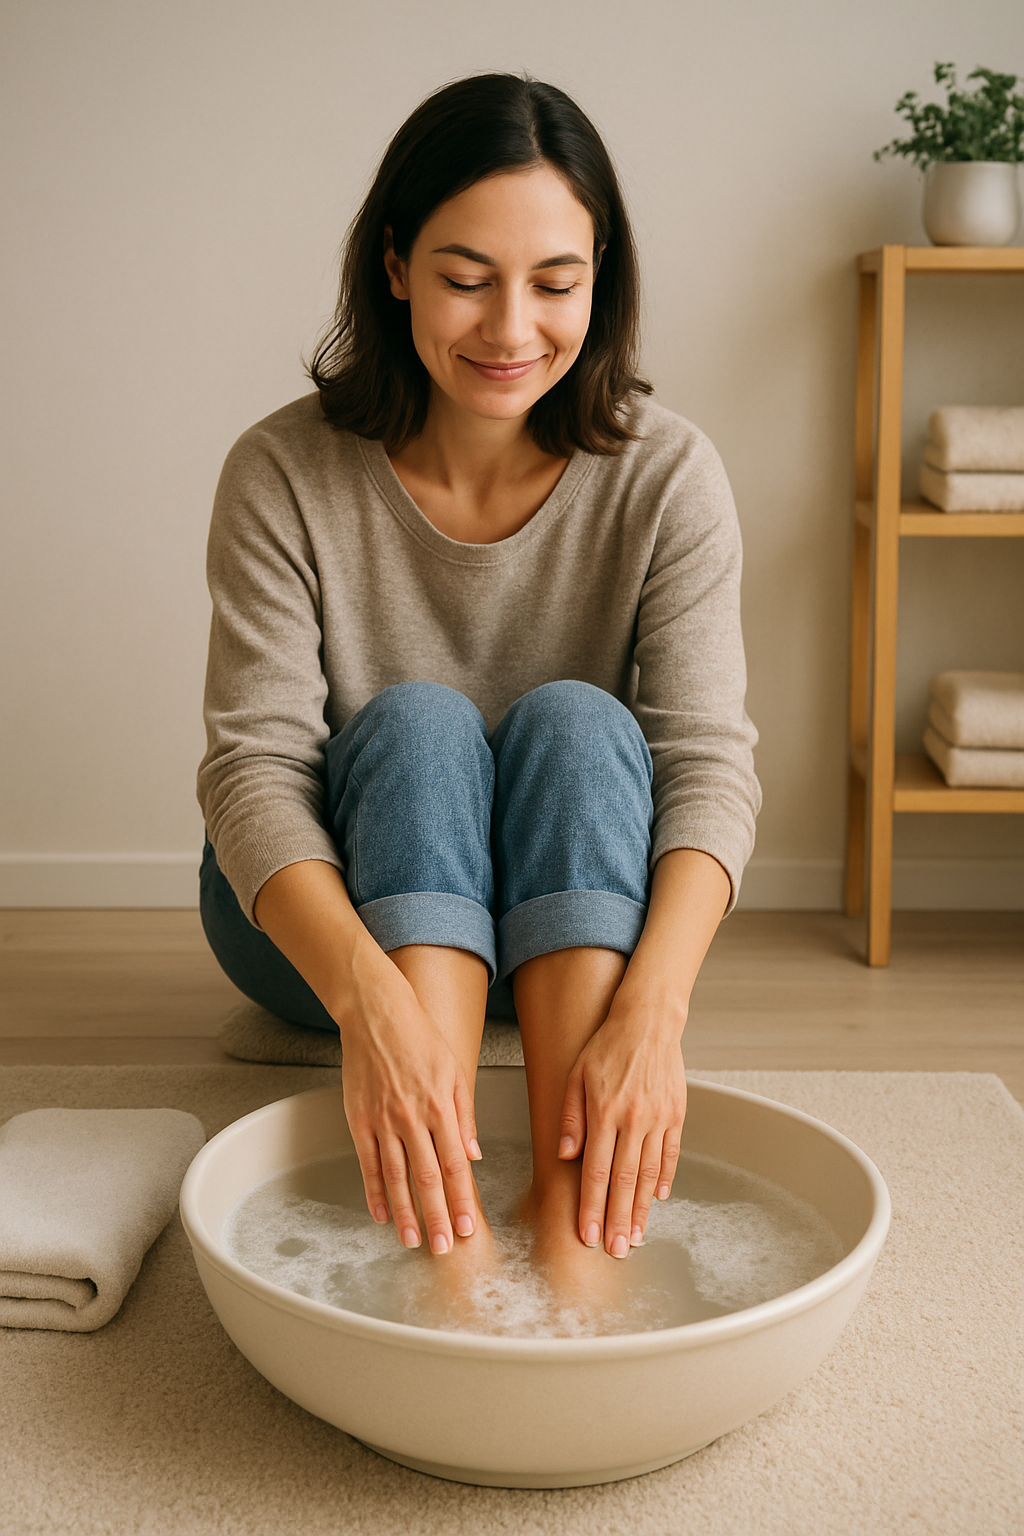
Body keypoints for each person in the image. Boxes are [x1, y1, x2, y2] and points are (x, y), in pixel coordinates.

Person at [197, 72, 760, 1290]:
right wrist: (370, 1009)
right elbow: (251, 771)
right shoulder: (280, 472)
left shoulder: (669, 475)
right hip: (325, 929)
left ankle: (572, 1222)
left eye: (555, 284)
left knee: (572, 721)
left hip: (572, 916)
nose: (511, 329)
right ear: (393, 266)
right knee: (418, 726)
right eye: (465, 279)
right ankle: (441, 1231)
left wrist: (655, 1015)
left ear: (599, 275)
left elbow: (709, 759)